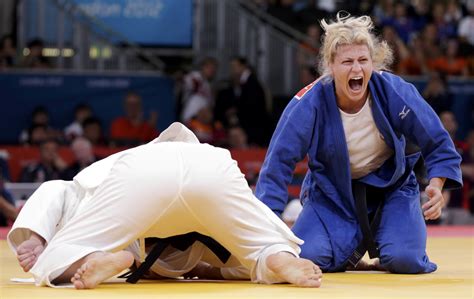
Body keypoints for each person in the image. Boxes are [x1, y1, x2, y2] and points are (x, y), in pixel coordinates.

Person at [255, 13, 462, 274]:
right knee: (308, 257)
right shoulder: (307, 104)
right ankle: (352, 255)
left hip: (392, 189)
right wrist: (266, 229)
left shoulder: (393, 91)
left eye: (363, 60)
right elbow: (277, 165)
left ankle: (384, 241)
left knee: (405, 260)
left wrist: (436, 184)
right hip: (332, 194)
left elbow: (437, 140)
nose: (357, 69)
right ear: (330, 66)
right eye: (347, 62)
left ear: (373, 63)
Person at [7, 122, 322, 289]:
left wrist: (38, 238)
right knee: (263, 246)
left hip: (142, 178)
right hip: (212, 167)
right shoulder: (192, 156)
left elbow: (52, 189)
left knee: (51, 264)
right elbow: (251, 230)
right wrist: (204, 269)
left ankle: (104, 257)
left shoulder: (96, 183)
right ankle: (278, 258)